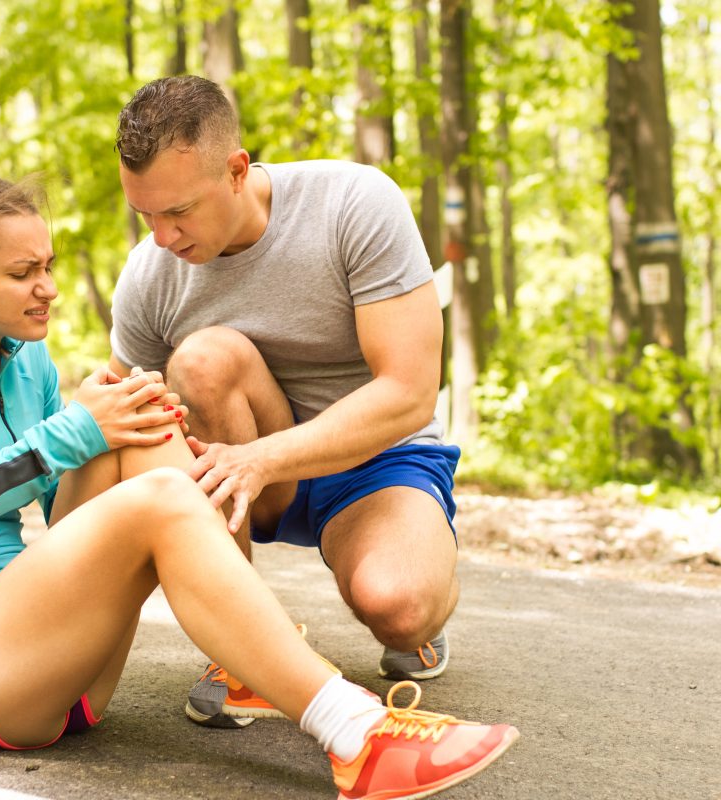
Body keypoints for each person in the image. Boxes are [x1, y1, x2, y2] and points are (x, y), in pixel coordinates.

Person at [0, 176, 518, 798]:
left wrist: (109, 430)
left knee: (140, 412)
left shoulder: (26, 357)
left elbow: (68, 523)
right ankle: (357, 731)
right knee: (156, 490)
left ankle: (254, 661)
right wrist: (69, 437)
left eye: (48, 266)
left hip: (57, 670)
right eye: (22, 273)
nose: (47, 288)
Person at [110, 75, 463, 727]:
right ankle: (242, 650)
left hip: (374, 461)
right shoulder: (150, 274)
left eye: (179, 211)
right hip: (244, 469)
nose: (162, 237)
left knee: (399, 605)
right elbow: (122, 422)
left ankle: (420, 574)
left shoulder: (353, 203)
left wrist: (263, 459)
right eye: (146, 216)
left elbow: (410, 394)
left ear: (238, 170)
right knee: (202, 359)